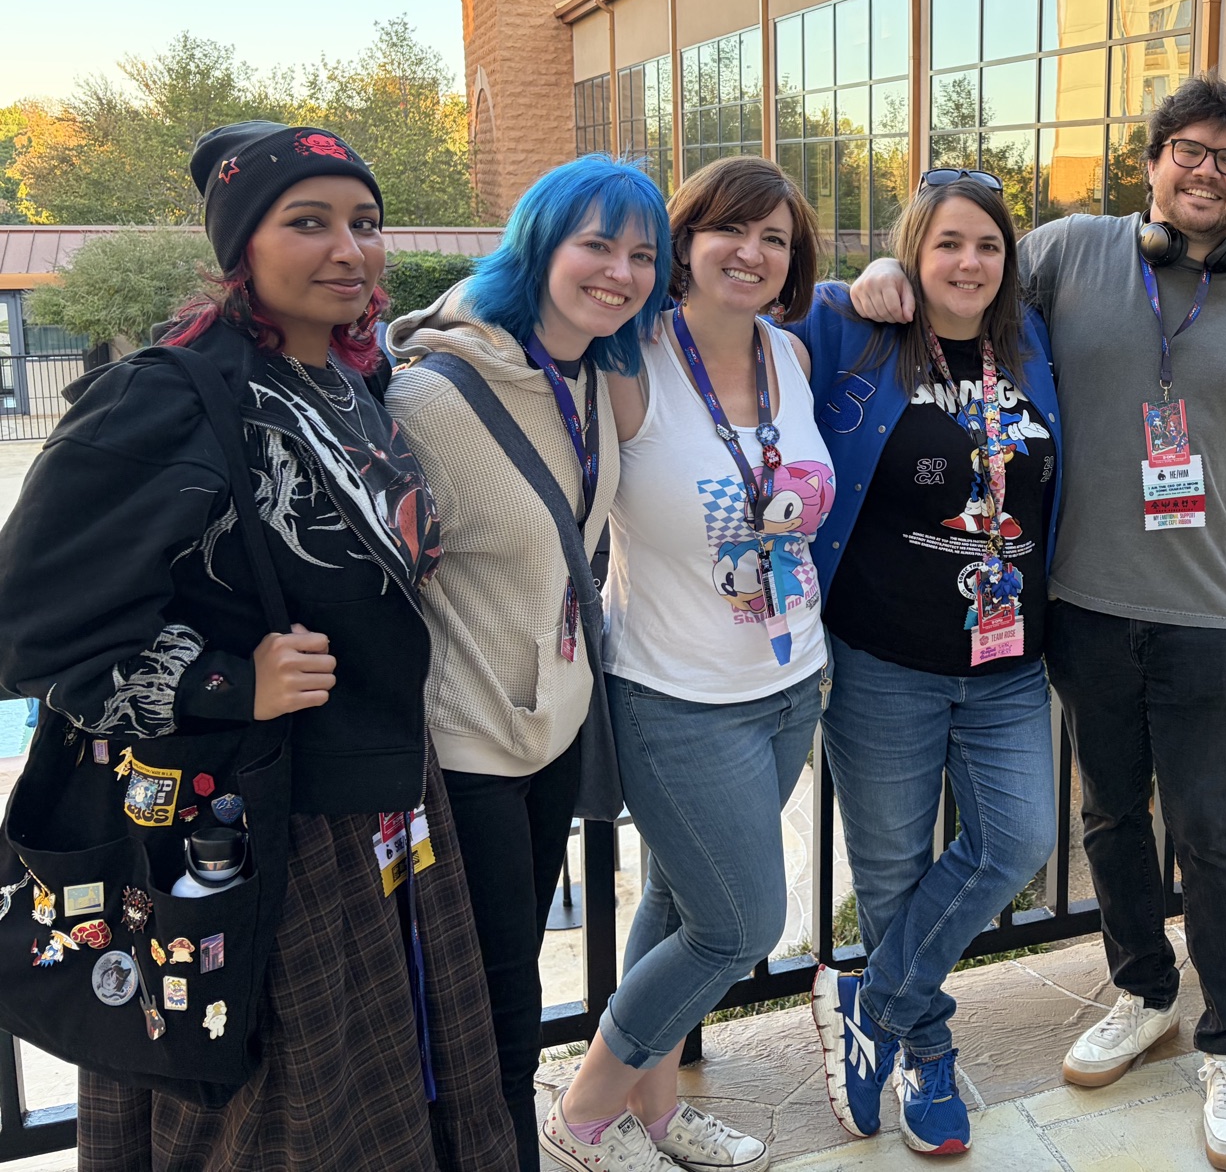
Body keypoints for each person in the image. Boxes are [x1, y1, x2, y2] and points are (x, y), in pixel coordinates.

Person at [851, 75, 1226, 1171]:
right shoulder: (1069, 251)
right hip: (1077, 602)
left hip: (1205, 611)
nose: (1207, 171)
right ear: (1152, 161)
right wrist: (881, 274)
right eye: (1189, 149)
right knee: (1111, 817)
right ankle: (1144, 992)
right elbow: (962, 285)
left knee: (1210, 833)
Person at [0, 122, 513, 1170]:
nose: (349, 250)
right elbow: (28, 624)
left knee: (385, 1097)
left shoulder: (352, 382)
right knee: (281, 1122)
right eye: (307, 222)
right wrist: (226, 681)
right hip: (256, 823)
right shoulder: (169, 394)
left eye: (365, 222)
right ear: (242, 246)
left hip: (378, 800)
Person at [540, 156, 828, 1172]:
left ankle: (655, 1109)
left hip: (789, 681)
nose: (750, 253)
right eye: (727, 230)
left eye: (774, 238)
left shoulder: (791, 354)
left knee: (677, 906)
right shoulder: (629, 361)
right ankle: (583, 1113)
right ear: (684, 243)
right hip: (674, 696)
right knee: (740, 922)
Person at [385, 157, 669, 1172]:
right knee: (494, 1004)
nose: (619, 271)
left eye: (642, 254)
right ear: (538, 245)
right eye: (595, 244)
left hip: (553, 729)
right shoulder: (430, 396)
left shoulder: (589, 374)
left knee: (514, 992)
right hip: (464, 744)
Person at [796, 169, 1062, 1157]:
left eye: (987, 245)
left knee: (1017, 842)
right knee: (894, 873)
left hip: (1006, 664)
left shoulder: (1033, 345)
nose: (969, 262)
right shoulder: (854, 334)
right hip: (882, 664)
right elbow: (737, 311)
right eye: (947, 242)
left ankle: (871, 1003)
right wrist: (858, 279)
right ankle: (927, 1051)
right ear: (914, 249)